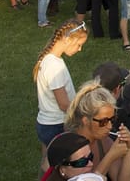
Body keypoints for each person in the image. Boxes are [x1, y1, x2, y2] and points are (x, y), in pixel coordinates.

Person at [35, 20, 89, 172]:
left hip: (46, 124)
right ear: (67, 39)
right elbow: (64, 104)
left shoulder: (50, 60)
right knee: (61, 169)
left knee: (47, 166)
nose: (80, 49)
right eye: (79, 44)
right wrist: (84, 113)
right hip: (55, 125)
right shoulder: (54, 65)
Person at [65, 83, 130, 181]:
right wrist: (110, 157)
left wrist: (128, 148)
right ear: (86, 120)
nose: (110, 126)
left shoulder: (104, 142)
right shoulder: (69, 147)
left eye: (112, 119)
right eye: (103, 121)